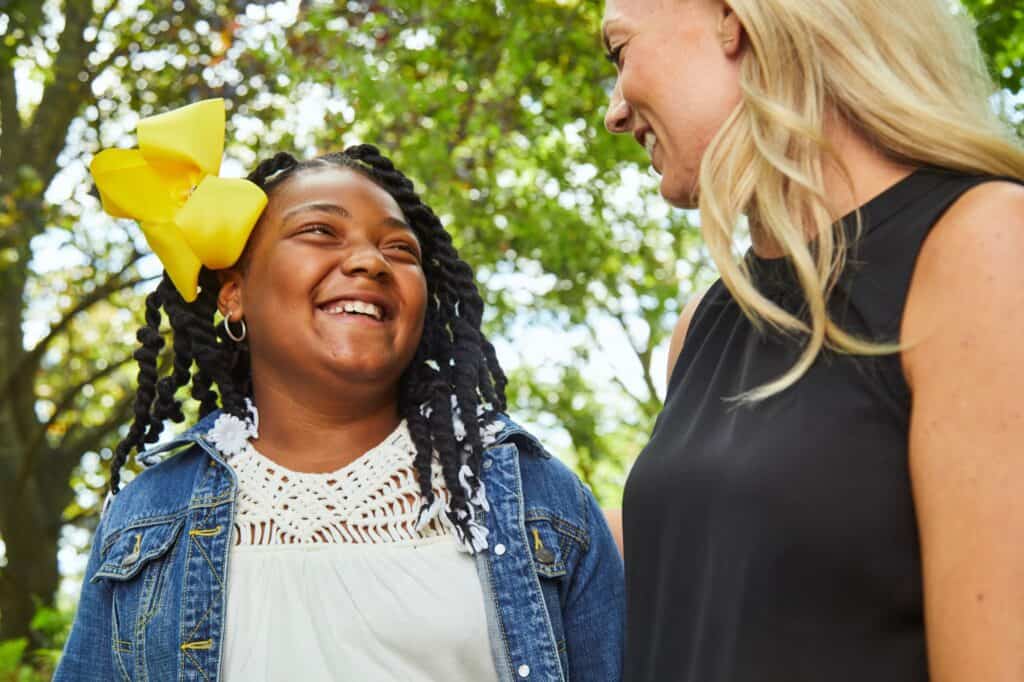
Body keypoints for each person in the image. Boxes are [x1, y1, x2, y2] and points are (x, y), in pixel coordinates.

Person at [55, 99, 624, 681]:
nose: (370, 262)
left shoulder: (535, 497)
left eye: (400, 249)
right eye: (320, 232)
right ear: (234, 294)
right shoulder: (147, 518)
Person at [600, 0, 1024, 680]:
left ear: (734, 19)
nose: (614, 112)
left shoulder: (985, 245)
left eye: (619, 53)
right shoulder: (703, 322)